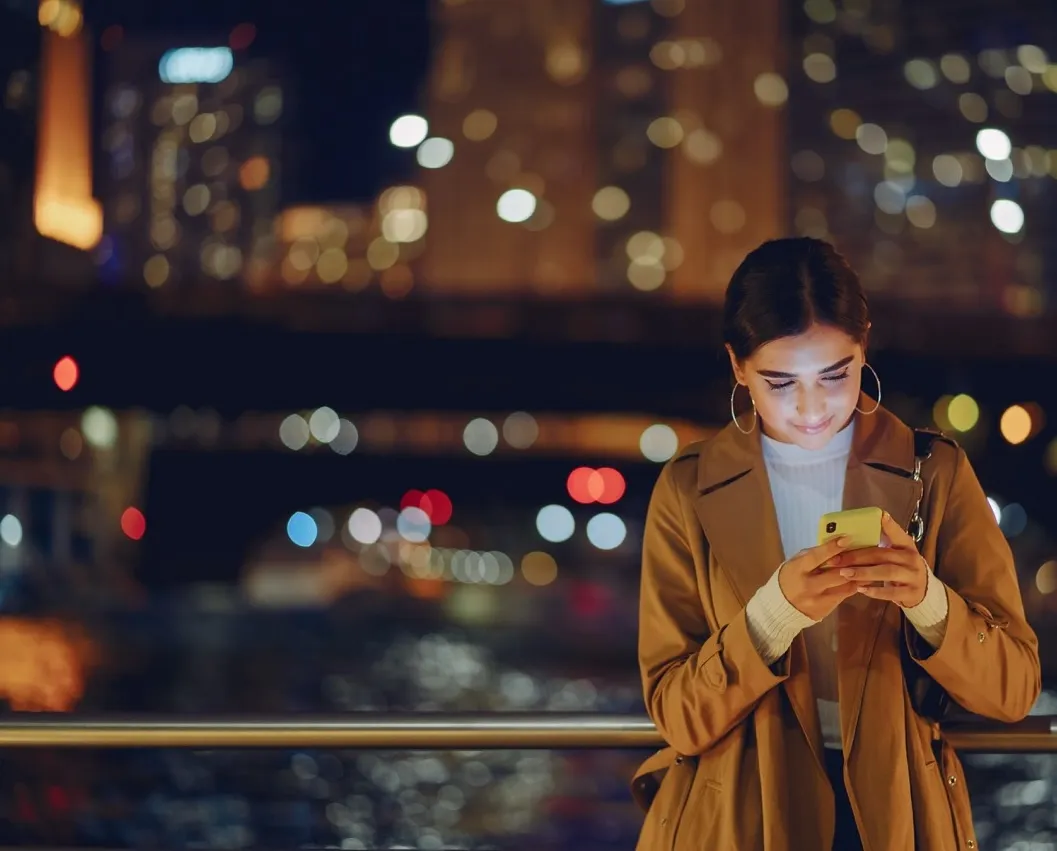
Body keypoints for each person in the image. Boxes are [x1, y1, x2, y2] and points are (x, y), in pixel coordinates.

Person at [631, 238, 1040, 850]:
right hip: (743, 813)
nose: (812, 406)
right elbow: (678, 715)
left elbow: (1013, 690)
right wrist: (772, 617)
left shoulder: (934, 472)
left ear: (863, 347)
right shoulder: (688, 488)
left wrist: (927, 600)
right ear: (738, 367)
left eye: (835, 374)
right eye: (780, 382)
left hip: (899, 810)